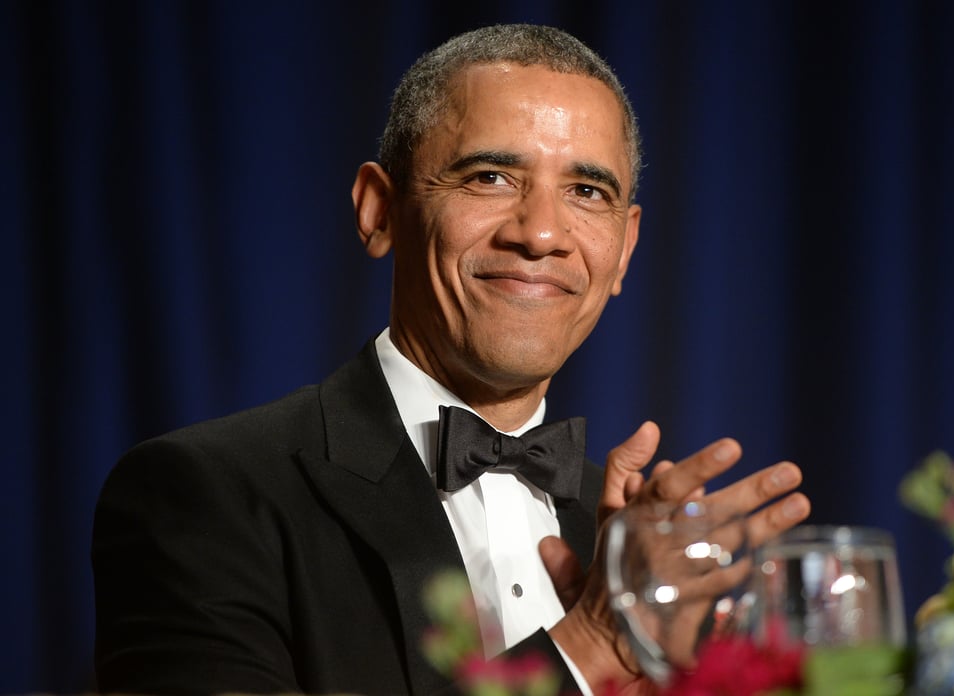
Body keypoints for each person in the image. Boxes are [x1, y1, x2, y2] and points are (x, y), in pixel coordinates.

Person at [91, 23, 810, 695]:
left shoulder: (641, 555)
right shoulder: (205, 494)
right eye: (490, 177)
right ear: (379, 211)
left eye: (586, 192)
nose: (541, 234)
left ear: (623, 250)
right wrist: (591, 649)